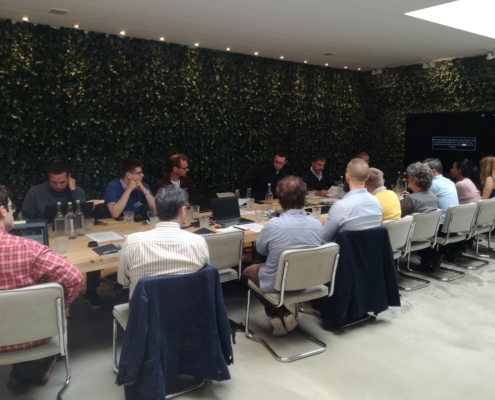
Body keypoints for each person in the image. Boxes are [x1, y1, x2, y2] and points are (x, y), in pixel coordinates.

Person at [0, 184, 83, 393]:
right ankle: (31, 369)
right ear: (2, 211)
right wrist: (59, 307)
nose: (12, 211)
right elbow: (74, 278)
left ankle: (25, 373)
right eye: (11, 207)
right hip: (32, 336)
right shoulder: (29, 248)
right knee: (53, 302)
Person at [242, 176, 322, 336]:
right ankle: (282, 313)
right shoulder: (317, 225)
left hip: (278, 284)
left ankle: (277, 311)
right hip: (307, 282)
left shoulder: (273, 225)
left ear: (279, 199)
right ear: (304, 197)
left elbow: (260, 251)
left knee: (247, 272)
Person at [118, 185, 209, 298]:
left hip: (145, 308)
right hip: (187, 306)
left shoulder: (132, 242)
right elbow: (204, 276)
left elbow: (123, 281)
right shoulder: (199, 242)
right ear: (183, 211)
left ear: (157, 209)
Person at [322, 158, 383, 243]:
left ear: (347, 177)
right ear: (367, 177)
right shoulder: (377, 204)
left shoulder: (340, 207)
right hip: (372, 251)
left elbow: (324, 239)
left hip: (344, 251)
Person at [421, 158, 460, 268]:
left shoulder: (432, 185)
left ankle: (429, 257)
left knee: (413, 222)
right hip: (454, 226)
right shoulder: (450, 182)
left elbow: (419, 203)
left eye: (423, 170)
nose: (421, 173)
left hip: (441, 228)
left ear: (433, 171)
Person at [22, 161, 86, 219]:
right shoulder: (34, 192)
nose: (58, 186)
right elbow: (25, 219)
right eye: (54, 182)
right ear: (49, 177)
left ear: (69, 176)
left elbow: (85, 217)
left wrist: (74, 191)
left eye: (62, 182)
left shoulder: (78, 192)